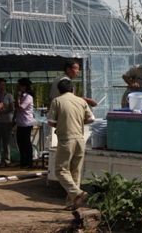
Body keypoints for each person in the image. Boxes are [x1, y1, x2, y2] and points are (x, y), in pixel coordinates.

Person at [47, 79, 95, 211]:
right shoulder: (81, 101)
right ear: (72, 89)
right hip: (80, 139)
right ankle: (71, 202)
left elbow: (51, 122)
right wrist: (79, 123)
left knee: (60, 170)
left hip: (66, 139)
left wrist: (62, 123)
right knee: (75, 171)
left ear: (59, 91)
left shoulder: (57, 101)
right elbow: (91, 119)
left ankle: (76, 193)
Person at [12, 78, 35, 169]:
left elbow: (21, 108)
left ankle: (29, 162)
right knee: (20, 142)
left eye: (20, 86)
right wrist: (14, 120)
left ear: (24, 87)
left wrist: (17, 98)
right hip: (20, 123)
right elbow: (17, 110)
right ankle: (23, 161)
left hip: (27, 123)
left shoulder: (28, 97)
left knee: (26, 143)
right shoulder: (22, 96)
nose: (19, 88)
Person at [0, 78, 15, 168]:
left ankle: (7, 160)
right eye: (0, 85)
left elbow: (11, 107)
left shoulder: (9, 96)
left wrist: (3, 112)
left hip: (6, 120)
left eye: (4, 85)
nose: (2, 87)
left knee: (6, 141)